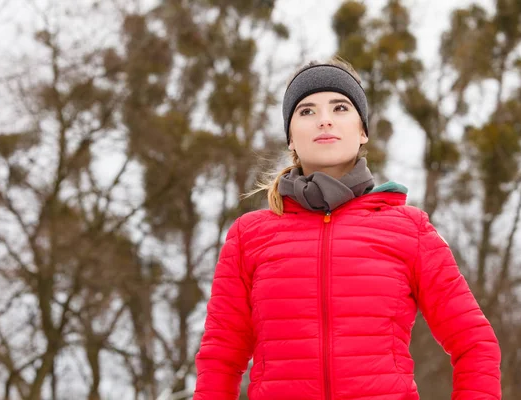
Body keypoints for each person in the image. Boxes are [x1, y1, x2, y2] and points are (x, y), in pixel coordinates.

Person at [193, 57, 501, 400]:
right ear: (291, 138)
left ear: (363, 130)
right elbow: (220, 359)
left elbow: (475, 343)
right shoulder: (249, 237)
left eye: (340, 108)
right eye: (306, 111)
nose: (324, 120)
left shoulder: (409, 230)